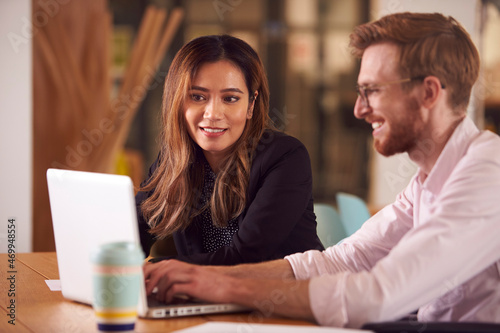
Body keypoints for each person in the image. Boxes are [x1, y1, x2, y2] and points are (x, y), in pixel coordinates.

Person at [142, 12, 500, 328]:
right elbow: (342, 260)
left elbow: (376, 295)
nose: (359, 110)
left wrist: (214, 283)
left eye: (372, 90)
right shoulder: (428, 183)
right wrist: (195, 277)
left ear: (429, 93)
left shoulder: (488, 173)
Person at [135, 34, 324, 266]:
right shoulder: (174, 162)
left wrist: (161, 269)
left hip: (281, 299)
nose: (213, 113)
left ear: (251, 105)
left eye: (231, 98)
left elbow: (245, 258)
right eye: (197, 96)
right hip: (205, 299)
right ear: (178, 101)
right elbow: (131, 238)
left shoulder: (285, 158)